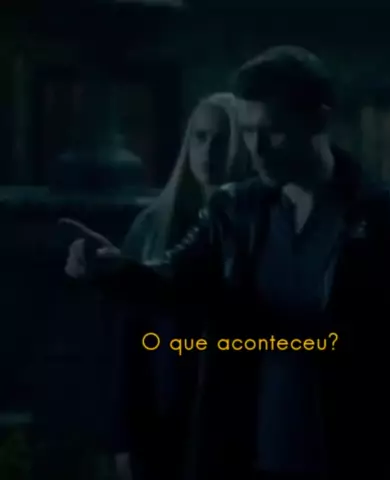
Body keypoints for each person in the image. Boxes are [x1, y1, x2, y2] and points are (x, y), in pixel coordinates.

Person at [63, 47, 390, 480]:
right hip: (250, 449)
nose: (257, 149)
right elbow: (176, 279)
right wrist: (115, 270)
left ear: (318, 120)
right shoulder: (236, 211)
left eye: (273, 132)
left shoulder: (387, 220)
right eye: (248, 132)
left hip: (356, 453)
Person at [63, 92, 250, 480]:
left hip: (234, 417)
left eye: (221, 140)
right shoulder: (152, 226)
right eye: (199, 137)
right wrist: (123, 440)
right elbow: (125, 342)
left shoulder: (258, 224)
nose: (208, 152)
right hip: (161, 413)